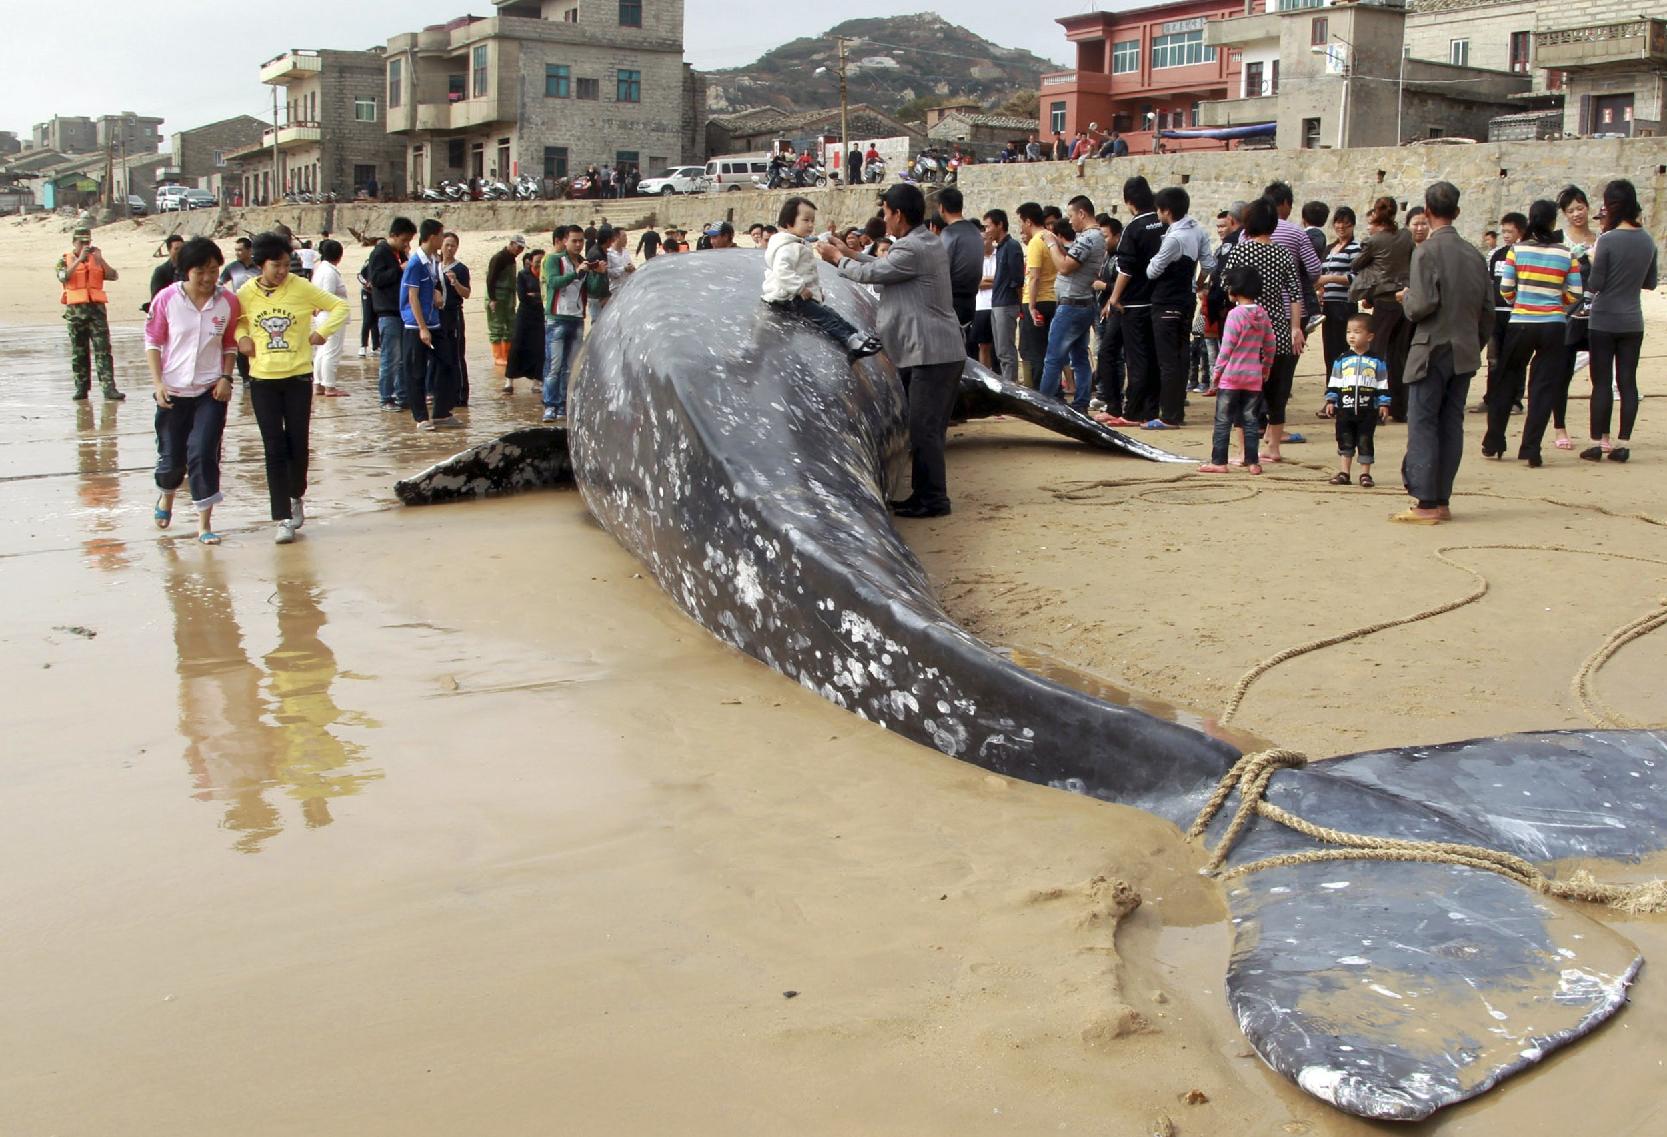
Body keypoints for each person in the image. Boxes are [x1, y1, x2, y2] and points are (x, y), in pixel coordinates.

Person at [817, 182, 966, 519]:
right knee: (925, 427)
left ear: (898, 214)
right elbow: (883, 266)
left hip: (932, 353)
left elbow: (873, 272)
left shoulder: (913, 249)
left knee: (924, 428)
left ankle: (933, 499)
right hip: (933, 350)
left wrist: (837, 257)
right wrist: (850, 251)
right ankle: (924, 494)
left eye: (885, 212)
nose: (883, 219)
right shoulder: (921, 243)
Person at [234, 231, 349, 544]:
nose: (282, 271)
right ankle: (282, 516)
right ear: (261, 265)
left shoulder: (300, 287)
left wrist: (321, 332)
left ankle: (297, 494)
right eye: (276, 266)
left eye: (286, 265)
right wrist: (242, 337)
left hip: (298, 377)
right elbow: (238, 319)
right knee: (273, 448)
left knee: (297, 442)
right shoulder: (246, 292)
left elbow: (339, 307)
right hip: (263, 380)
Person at [1397, 181, 1493, 524]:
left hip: (1432, 345)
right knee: (1451, 423)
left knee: (1423, 422)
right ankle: (1441, 498)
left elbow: (1422, 305)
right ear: (1457, 211)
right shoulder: (1474, 254)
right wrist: (1474, 343)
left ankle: (1425, 502)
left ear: (1427, 211)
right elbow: (1488, 310)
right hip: (1464, 348)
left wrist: (1406, 299)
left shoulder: (1426, 251)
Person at [145, 237, 238, 544]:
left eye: (213, 270)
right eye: (201, 271)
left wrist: (226, 377)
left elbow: (229, 343)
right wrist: (158, 384)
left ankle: (205, 524)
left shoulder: (227, 302)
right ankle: (166, 497)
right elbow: (153, 342)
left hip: (209, 391)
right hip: (172, 390)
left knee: (204, 452)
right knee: (172, 458)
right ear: (186, 271)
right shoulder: (167, 299)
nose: (208, 278)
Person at [1487, 199, 1581, 466]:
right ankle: (1531, 448)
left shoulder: (1516, 251)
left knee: (1507, 380)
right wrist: (1555, 304)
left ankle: (1494, 440)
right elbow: (1575, 293)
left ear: (1529, 222)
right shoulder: (1566, 253)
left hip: (1522, 322)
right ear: (1553, 222)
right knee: (1542, 387)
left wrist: (1522, 300)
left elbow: (1505, 290)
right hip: (1554, 325)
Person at [1583, 178, 1658, 464]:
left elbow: (1596, 283)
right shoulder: (1648, 240)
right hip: (1632, 319)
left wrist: (1591, 258)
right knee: (1627, 381)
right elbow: (1650, 282)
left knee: (1601, 382)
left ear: (1611, 206)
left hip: (1603, 319)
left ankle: (1599, 442)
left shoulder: (1608, 240)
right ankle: (1623, 442)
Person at [1219, 199, 1302, 461]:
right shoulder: (1283, 253)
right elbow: (1295, 293)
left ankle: (1245, 451)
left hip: (1247, 331)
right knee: (1278, 392)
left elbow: (1225, 284)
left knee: (1245, 392)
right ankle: (1273, 447)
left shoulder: (1241, 251)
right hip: (1278, 327)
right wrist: (1296, 327)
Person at [763, 196, 882, 360]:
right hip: (790, 297)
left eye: (812, 220)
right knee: (826, 318)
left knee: (830, 313)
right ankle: (851, 341)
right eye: (806, 220)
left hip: (799, 295)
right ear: (789, 222)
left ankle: (857, 336)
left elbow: (806, 273)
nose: (811, 225)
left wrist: (815, 290)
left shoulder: (798, 244)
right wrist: (800, 288)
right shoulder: (787, 247)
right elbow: (782, 271)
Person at [1144, 185, 1214, 427]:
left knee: (1168, 360)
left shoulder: (1174, 238)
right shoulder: (1198, 230)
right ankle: (1176, 411)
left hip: (1166, 300)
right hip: (1185, 297)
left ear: (1166, 211)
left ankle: (1170, 415)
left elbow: (1152, 271)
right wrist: (1198, 282)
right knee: (1181, 356)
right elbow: (1208, 263)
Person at [1198, 265, 1273, 475]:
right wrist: (1266, 366)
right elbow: (1270, 344)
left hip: (1232, 377)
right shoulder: (1261, 314)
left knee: (1223, 420)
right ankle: (1253, 462)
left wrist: (1216, 374)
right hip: (1253, 376)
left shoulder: (1235, 315)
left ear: (1234, 291)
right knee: (1250, 420)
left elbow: (1226, 349)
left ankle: (1219, 461)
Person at [1037, 194, 1108, 412]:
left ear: (1082, 213)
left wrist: (1051, 244)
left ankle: (1043, 404)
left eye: (1070, 216)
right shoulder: (1093, 237)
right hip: (1082, 303)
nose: (1069, 221)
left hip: (1072, 305)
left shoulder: (1088, 238)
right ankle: (1081, 402)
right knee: (1079, 357)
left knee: (1053, 358)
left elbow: (1065, 267)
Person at [1107, 176, 1165, 423]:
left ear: (1129, 202)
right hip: (1158, 300)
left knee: (1136, 359)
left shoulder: (1134, 228)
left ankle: (1134, 411)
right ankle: (1151, 409)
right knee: (1153, 358)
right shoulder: (1163, 224)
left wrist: (1114, 297)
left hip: (1135, 303)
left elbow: (1126, 269)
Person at [1352, 197, 1415, 420]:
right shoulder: (1406, 236)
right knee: (1399, 356)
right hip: (1404, 300)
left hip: (1384, 299)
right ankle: (1400, 407)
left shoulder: (1375, 241)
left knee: (1376, 354)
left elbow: (1356, 264)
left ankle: (1373, 407)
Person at [400, 219, 462, 430]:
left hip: (435, 322)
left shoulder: (433, 261)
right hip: (416, 326)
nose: (444, 239)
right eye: (441, 235)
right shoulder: (416, 263)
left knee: (448, 364)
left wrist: (436, 294)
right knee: (416, 371)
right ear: (433, 237)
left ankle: (442, 413)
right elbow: (412, 296)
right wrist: (423, 328)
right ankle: (421, 418)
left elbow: (431, 285)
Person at [1553, 184, 1598, 452]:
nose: (1576, 214)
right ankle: (1560, 427)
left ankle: (1598, 433)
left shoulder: (1600, 238)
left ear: (1587, 208)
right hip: (1566, 313)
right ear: (1564, 214)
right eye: (1571, 210)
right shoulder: (1559, 239)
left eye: (1580, 208)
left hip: (1596, 313)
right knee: (1563, 372)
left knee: (1600, 374)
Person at [1322, 314, 1390, 487]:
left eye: (1357, 332)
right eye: (1348, 332)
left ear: (1370, 336)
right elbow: (1335, 381)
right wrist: (1331, 400)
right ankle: (1344, 472)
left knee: (1365, 439)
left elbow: (1382, 383)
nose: (1351, 336)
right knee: (1345, 439)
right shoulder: (1342, 360)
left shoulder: (1377, 361)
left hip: (1368, 409)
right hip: (1345, 408)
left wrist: (1383, 403)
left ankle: (1365, 474)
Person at [57, 225, 122, 401]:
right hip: (76, 313)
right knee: (79, 352)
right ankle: (81, 388)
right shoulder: (65, 260)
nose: (85, 245)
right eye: (81, 242)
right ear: (74, 243)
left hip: (96, 312)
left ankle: (109, 388)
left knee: (103, 351)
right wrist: (79, 260)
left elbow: (113, 275)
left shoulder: (97, 259)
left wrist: (100, 260)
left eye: (88, 242)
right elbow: (63, 276)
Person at [542, 227, 595, 423]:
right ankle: (550, 405)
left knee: (570, 367)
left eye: (581, 241)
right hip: (556, 317)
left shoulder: (583, 262)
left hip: (577, 318)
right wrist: (575, 274)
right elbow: (554, 282)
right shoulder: (555, 260)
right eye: (574, 241)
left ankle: (565, 405)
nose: (578, 244)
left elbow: (593, 290)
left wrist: (598, 273)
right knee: (554, 365)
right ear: (565, 241)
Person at [1478, 211, 1526, 414]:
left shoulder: (1524, 254)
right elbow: (1490, 283)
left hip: (1516, 313)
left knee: (1515, 358)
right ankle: (1492, 397)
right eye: (1503, 231)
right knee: (1493, 359)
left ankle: (1515, 399)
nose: (1506, 235)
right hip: (1496, 313)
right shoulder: (1496, 255)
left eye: (1510, 231)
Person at [368, 217, 416, 410]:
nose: (407, 244)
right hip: (388, 312)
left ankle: (403, 396)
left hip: (402, 311)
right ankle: (386, 397)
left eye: (409, 241)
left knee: (404, 358)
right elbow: (377, 279)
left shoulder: (399, 253)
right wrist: (399, 269)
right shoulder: (380, 252)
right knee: (391, 357)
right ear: (393, 235)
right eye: (404, 240)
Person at [937, 187, 984, 353]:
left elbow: (940, 268)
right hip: (971, 299)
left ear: (941, 207)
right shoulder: (976, 232)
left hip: (951, 300)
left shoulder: (948, 233)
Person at [1015, 201, 1056, 387]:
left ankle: (1042, 393)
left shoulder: (1035, 242)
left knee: (1035, 351)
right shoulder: (1051, 238)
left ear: (1028, 221)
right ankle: (1052, 390)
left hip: (1037, 301)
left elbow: (1034, 277)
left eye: (1021, 222)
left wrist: (1031, 306)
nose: (1021, 226)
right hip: (1052, 298)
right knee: (1048, 350)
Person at [1317, 206, 1360, 377]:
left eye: (1346, 224)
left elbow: (1355, 278)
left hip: (1344, 304)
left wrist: (1329, 279)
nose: (1341, 227)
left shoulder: (1355, 248)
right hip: (1328, 304)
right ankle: (1332, 391)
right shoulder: (1329, 248)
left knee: (1342, 349)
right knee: (1329, 351)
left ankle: (1342, 392)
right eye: (1338, 223)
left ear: (1353, 226)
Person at [1091, 213, 1125, 417]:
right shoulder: (1107, 257)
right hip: (1104, 308)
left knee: (1111, 355)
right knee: (1104, 353)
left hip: (1114, 309)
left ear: (1117, 236)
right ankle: (1106, 394)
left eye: (1106, 236)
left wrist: (1105, 288)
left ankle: (1114, 397)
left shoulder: (1121, 258)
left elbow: (1126, 282)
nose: (1103, 241)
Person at [984, 209, 1022, 381]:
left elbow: (1017, 279)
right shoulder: (1001, 248)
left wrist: (1020, 305)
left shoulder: (1012, 246)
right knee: (1000, 351)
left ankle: (1010, 387)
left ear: (999, 225)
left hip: (1007, 304)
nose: (986, 231)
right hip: (998, 303)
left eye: (988, 226)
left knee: (1006, 351)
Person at [310, 239, 351, 398]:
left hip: (324, 315)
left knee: (322, 351)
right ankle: (329, 386)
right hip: (331, 316)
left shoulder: (320, 269)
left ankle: (319, 384)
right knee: (332, 351)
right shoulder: (329, 272)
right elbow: (327, 296)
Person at [504, 247, 546, 393]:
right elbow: (523, 296)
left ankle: (537, 382)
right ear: (530, 262)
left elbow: (547, 295)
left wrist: (535, 296)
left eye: (542, 262)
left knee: (539, 347)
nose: (539, 265)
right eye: (537, 262)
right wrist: (538, 297)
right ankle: (509, 381)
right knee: (516, 345)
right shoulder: (523, 275)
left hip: (541, 316)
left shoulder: (546, 275)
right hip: (524, 315)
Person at [485, 234, 525, 374]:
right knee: (496, 327)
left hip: (508, 298)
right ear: (512, 244)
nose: (520, 250)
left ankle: (506, 354)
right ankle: (498, 356)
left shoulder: (511, 259)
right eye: (518, 247)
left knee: (510, 326)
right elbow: (490, 279)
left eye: (522, 248)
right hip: (497, 297)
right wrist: (492, 299)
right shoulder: (499, 258)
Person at [439, 231, 471, 406]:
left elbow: (466, 293)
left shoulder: (460, 269)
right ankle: (441, 392)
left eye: (453, 245)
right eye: (447, 245)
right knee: (440, 354)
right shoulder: (435, 265)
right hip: (437, 314)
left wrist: (455, 283)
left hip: (454, 314)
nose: (449, 249)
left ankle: (460, 394)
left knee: (457, 354)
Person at [148, 235, 185, 304]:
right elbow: (156, 298)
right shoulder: (161, 271)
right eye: (176, 249)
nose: (180, 252)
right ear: (169, 250)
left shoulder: (191, 270)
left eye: (182, 249)